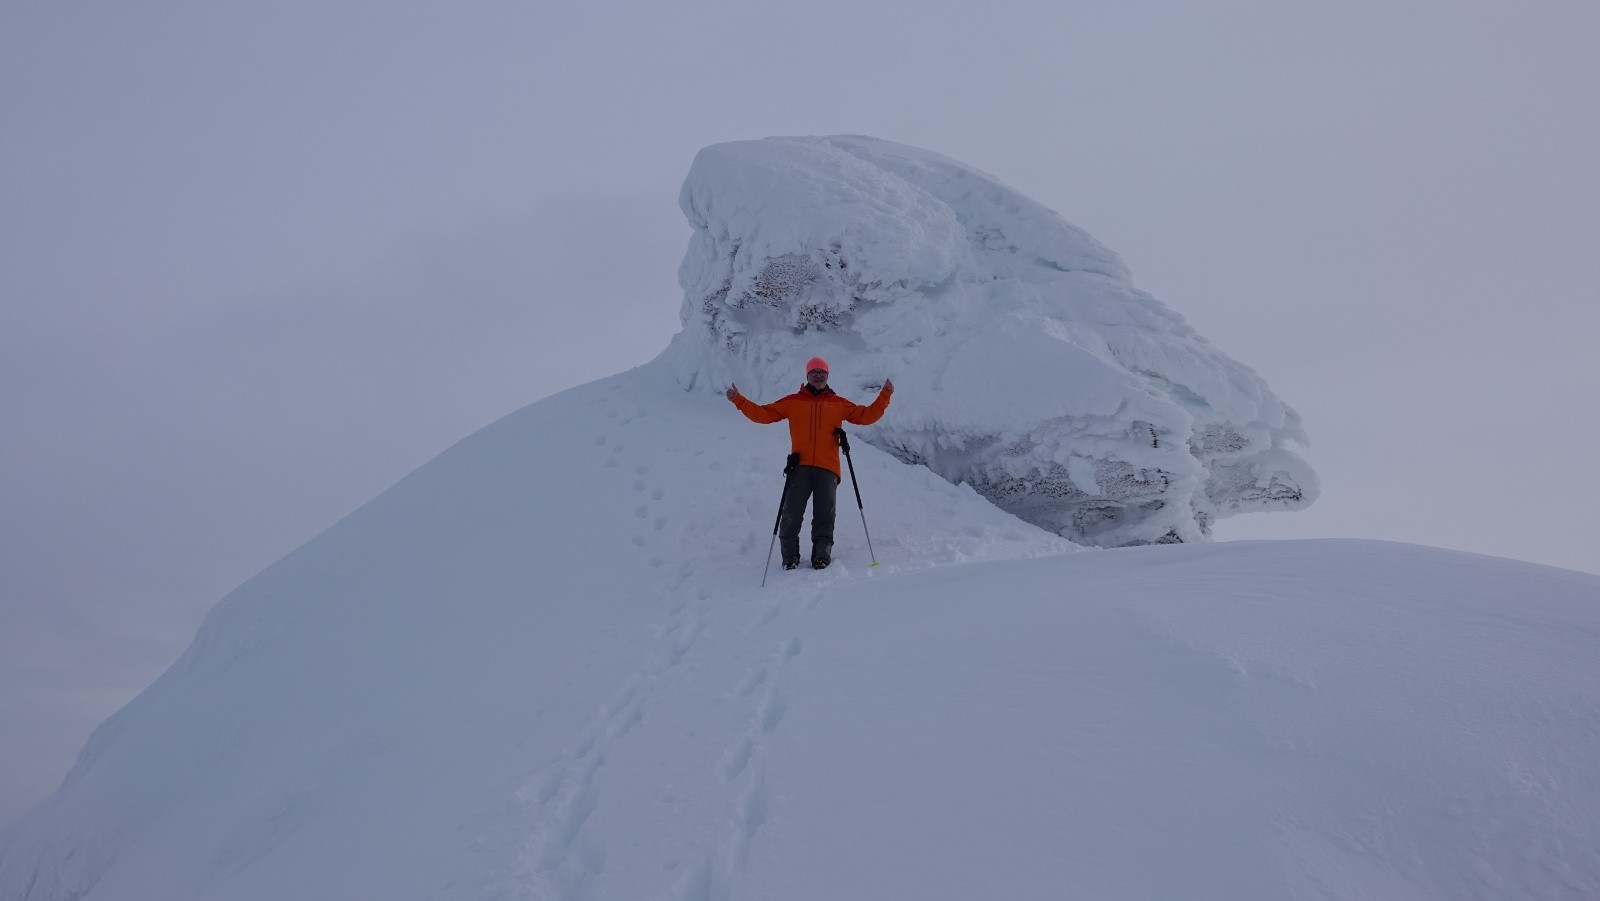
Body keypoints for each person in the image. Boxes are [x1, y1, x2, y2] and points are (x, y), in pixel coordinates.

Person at [726, 357, 893, 570]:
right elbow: (763, 414)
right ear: (807, 375)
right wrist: (738, 400)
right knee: (791, 513)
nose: (818, 375)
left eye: (821, 372)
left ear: (827, 375)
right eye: (814, 372)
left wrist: (885, 394)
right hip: (800, 466)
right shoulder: (794, 401)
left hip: (828, 468)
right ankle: (789, 558)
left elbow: (867, 416)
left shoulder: (838, 403)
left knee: (825, 514)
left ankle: (821, 556)